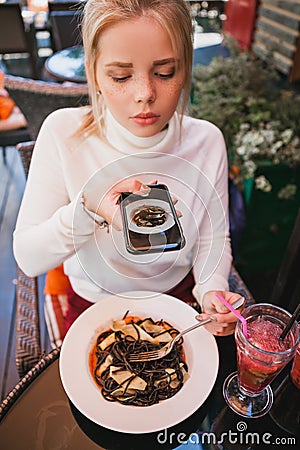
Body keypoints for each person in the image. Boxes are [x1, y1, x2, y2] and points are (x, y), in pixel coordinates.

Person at [13, 0, 243, 337]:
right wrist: (88, 209)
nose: (145, 95)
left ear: (186, 68)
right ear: (94, 73)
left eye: (165, 72)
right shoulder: (63, 133)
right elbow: (28, 257)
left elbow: (212, 238)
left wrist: (211, 289)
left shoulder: (206, 141)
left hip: (179, 303)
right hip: (93, 305)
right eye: (120, 76)